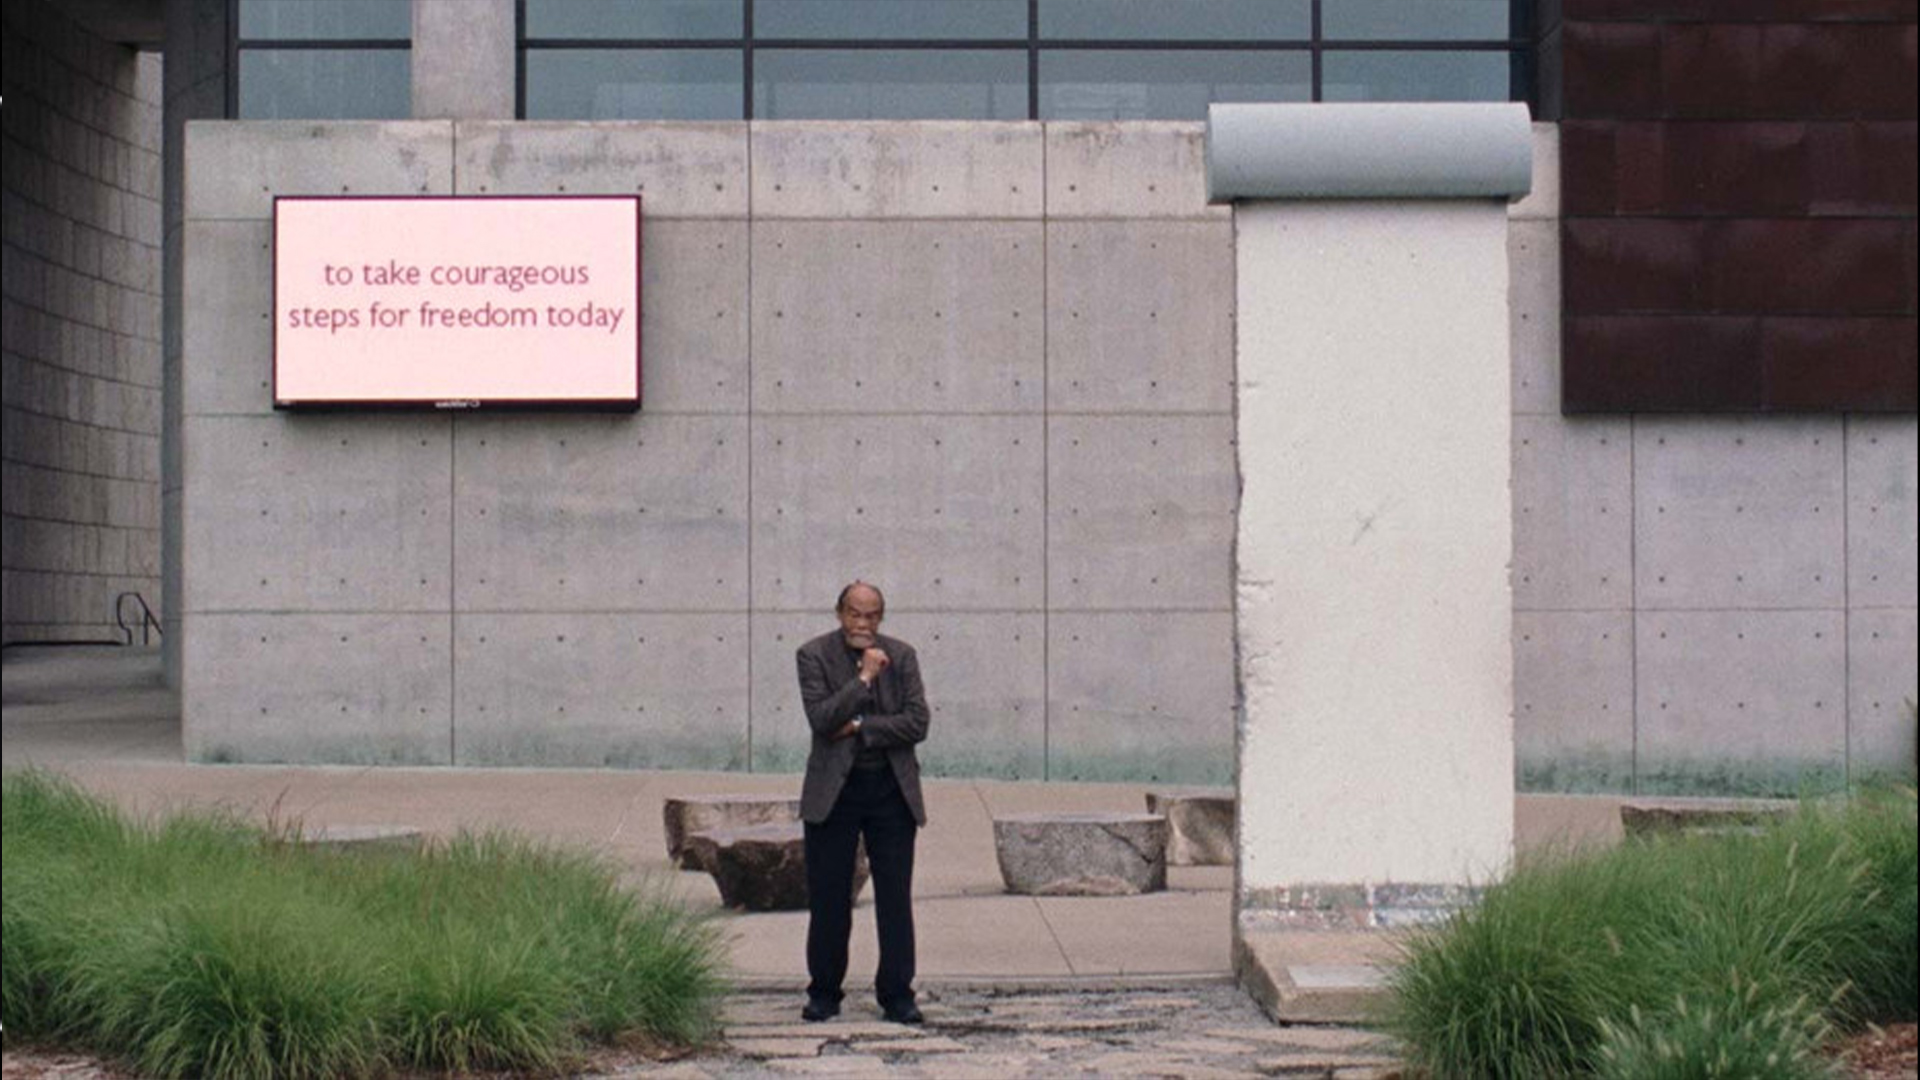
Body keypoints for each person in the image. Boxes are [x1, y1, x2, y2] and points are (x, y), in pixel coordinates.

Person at [795, 581, 930, 1024]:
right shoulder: (813, 655)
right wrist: (864, 679)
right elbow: (821, 719)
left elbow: (917, 722)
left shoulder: (903, 655)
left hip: (890, 791)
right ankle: (824, 992)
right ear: (839, 614)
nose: (863, 623)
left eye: (872, 615)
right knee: (830, 897)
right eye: (855, 613)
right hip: (836, 792)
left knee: (895, 898)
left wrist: (859, 726)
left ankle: (897, 994)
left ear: (881, 618)